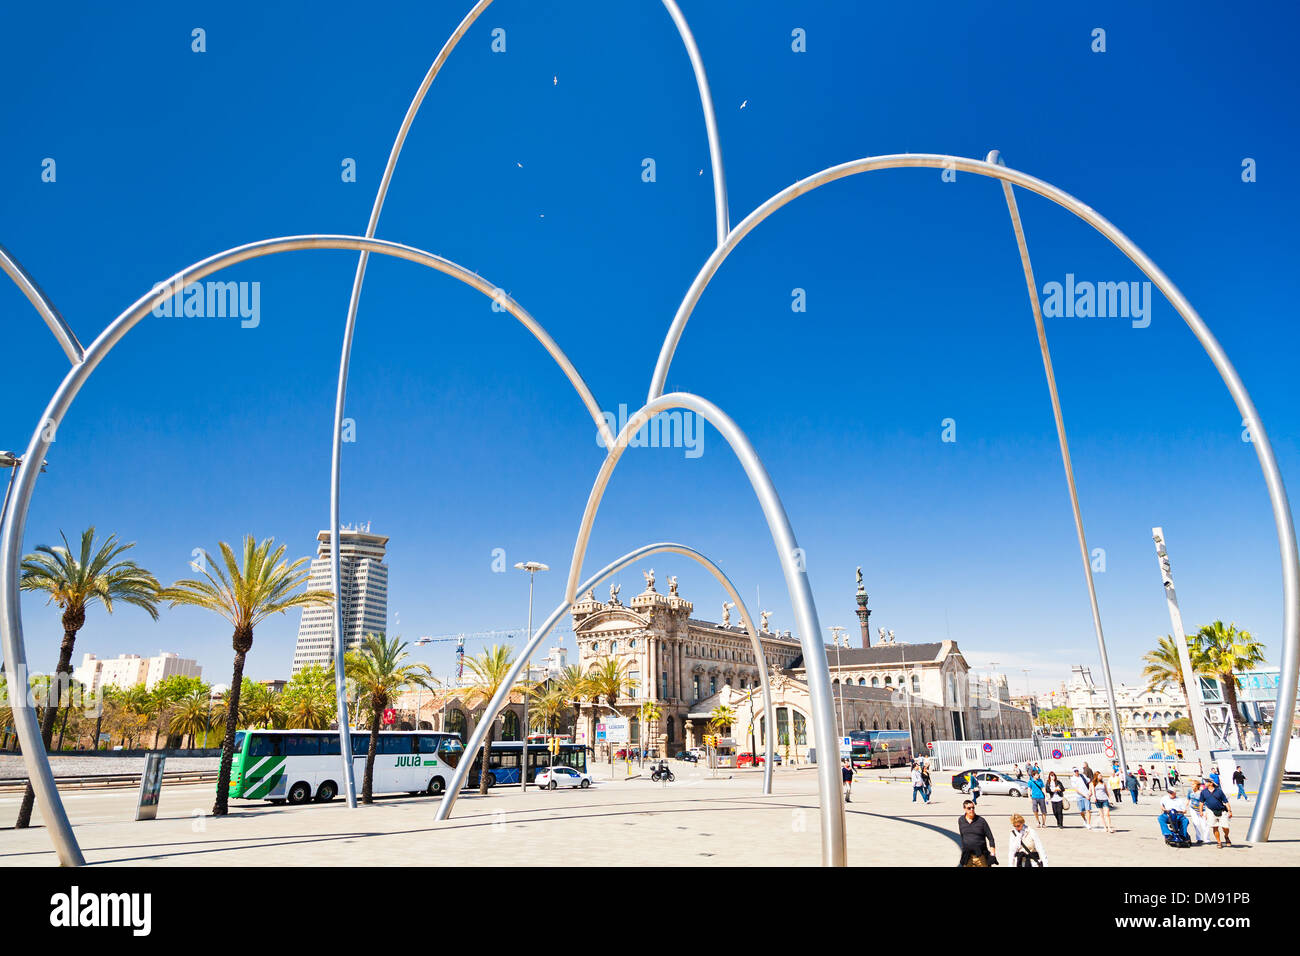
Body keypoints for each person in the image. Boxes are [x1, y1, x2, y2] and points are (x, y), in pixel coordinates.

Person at [957, 798, 997, 867]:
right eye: (969, 808)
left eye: (973, 808)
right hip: (967, 856)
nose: (972, 810)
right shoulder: (961, 820)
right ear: (965, 809)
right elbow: (963, 836)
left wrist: (992, 854)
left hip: (981, 857)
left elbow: (991, 838)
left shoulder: (981, 821)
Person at [1200, 776, 1234, 847]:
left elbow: (1226, 801)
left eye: (1206, 782)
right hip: (1211, 811)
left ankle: (1226, 836)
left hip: (1221, 811)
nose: (1204, 783)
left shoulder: (1219, 791)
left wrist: (1229, 811)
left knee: (1225, 827)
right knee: (1215, 827)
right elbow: (1201, 802)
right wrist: (1201, 811)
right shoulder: (1203, 792)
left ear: (1211, 783)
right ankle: (1219, 842)